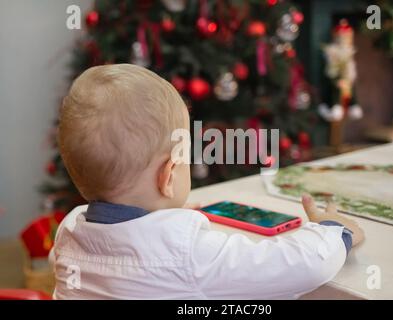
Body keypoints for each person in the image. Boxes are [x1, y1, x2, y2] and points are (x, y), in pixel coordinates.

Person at [52, 63, 364, 299]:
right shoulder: (187, 251)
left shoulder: (69, 232)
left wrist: (163, 215)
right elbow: (299, 265)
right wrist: (334, 232)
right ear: (169, 176)